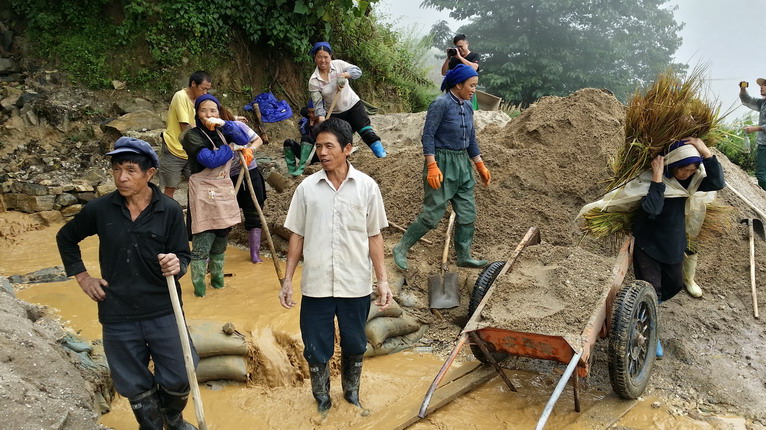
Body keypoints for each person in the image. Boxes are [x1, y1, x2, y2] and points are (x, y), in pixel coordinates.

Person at [56, 136, 198, 430]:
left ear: (150, 173)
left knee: (183, 372)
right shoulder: (100, 209)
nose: (121, 177)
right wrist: (83, 277)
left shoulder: (169, 210)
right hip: (118, 312)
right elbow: (66, 238)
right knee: (133, 382)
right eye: (117, 168)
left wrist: (177, 263)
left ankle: (172, 418)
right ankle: (152, 426)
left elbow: (183, 254)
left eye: (131, 169)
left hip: (163, 308)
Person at [278, 118, 393, 416]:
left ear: (348, 149)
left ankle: (352, 394)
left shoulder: (367, 187)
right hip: (316, 284)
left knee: (355, 343)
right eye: (319, 146)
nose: (323, 153)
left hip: (355, 283)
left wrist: (382, 281)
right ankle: (322, 399)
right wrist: (288, 280)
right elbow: (297, 236)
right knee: (316, 348)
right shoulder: (306, 189)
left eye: (329, 146)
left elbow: (374, 236)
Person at [393, 64, 491, 271]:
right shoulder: (440, 104)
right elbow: (428, 135)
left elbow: (471, 138)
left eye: (475, 86)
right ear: (458, 84)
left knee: (467, 212)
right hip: (442, 162)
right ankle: (401, 248)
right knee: (432, 214)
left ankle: (464, 255)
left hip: (462, 163)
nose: (474, 90)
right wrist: (432, 165)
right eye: (471, 86)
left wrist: (479, 164)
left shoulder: (467, 107)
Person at [633, 138, 725, 357]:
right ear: (672, 164)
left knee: (674, 285)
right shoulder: (653, 179)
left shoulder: (692, 183)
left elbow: (718, 182)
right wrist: (657, 178)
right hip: (648, 243)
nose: (687, 174)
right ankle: (651, 330)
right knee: (651, 291)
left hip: (673, 243)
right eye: (684, 169)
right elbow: (652, 209)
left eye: (692, 169)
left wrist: (705, 152)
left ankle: (646, 307)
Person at [181, 94, 242, 297]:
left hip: (223, 190)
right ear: (197, 114)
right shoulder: (192, 136)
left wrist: (226, 124)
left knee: (221, 241)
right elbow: (209, 160)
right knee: (202, 243)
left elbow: (244, 139)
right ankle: (199, 291)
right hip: (203, 192)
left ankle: (218, 284)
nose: (209, 114)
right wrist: (231, 148)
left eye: (213, 110)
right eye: (204, 110)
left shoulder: (222, 131)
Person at [308, 42, 387, 158]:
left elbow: (357, 72)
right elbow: (318, 104)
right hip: (334, 113)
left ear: (331, 56)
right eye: (319, 57)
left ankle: (383, 156)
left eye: (326, 57)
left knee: (366, 132)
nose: (323, 60)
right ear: (314, 57)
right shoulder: (314, 80)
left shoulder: (339, 64)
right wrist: (322, 121)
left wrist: (345, 75)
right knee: (339, 142)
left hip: (353, 106)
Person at [220, 106, 267, 263]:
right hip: (226, 177)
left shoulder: (238, 126)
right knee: (223, 213)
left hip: (249, 172)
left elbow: (258, 139)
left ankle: (255, 254)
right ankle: (216, 253)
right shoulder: (211, 134)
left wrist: (251, 150)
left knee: (254, 210)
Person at [160, 70, 212, 199]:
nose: (205, 93)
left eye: (207, 90)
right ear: (193, 84)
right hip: (174, 148)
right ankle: (167, 216)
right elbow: (186, 126)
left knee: (197, 183)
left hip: (191, 150)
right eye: (203, 89)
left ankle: (194, 215)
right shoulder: (180, 96)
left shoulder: (200, 102)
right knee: (170, 188)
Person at [739, 78, 766, 190]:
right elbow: (748, 100)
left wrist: (755, 128)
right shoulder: (763, 103)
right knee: (761, 174)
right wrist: (743, 89)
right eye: (761, 85)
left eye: (765, 85)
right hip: (763, 145)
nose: (761, 87)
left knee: (761, 174)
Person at [284, 101, 320, 176]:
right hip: (307, 154)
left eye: (312, 113)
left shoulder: (325, 122)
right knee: (288, 143)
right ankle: (292, 170)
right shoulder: (308, 121)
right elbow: (303, 111)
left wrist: (312, 126)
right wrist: (310, 125)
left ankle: (302, 168)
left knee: (306, 138)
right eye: (309, 113)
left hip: (317, 154)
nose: (310, 115)